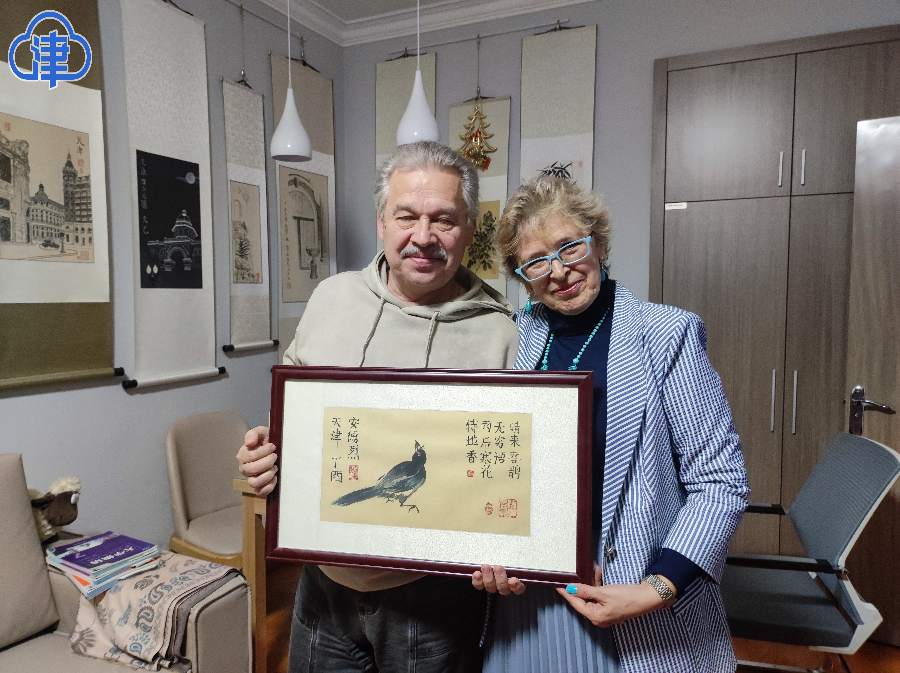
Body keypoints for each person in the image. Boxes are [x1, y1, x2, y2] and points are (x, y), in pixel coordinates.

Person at [237, 141, 519, 673]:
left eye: (444, 220)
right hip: (321, 581)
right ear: (382, 223)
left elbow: (509, 473)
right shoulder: (331, 297)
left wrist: (512, 545)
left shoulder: (502, 333)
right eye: (406, 216)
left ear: (469, 229)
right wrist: (266, 448)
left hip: (432, 598)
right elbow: (293, 413)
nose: (423, 236)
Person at [473, 176, 749, 673]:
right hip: (530, 602)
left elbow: (720, 482)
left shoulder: (666, 334)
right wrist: (491, 550)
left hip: (639, 600)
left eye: (570, 247)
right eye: (536, 261)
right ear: (522, 276)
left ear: (598, 244)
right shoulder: (511, 340)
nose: (559, 271)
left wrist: (656, 588)